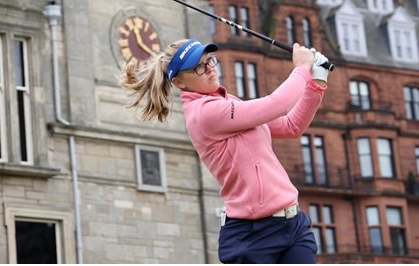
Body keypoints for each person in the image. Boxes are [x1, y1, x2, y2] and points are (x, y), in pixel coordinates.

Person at [120, 38, 329, 264]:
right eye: (199, 67)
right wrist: (301, 69)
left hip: (293, 224)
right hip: (253, 236)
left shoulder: (228, 101)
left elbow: (291, 126)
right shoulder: (204, 113)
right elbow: (276, 104)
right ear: (179, 83)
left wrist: (317, 82)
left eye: (210, 60)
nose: (209, 68)